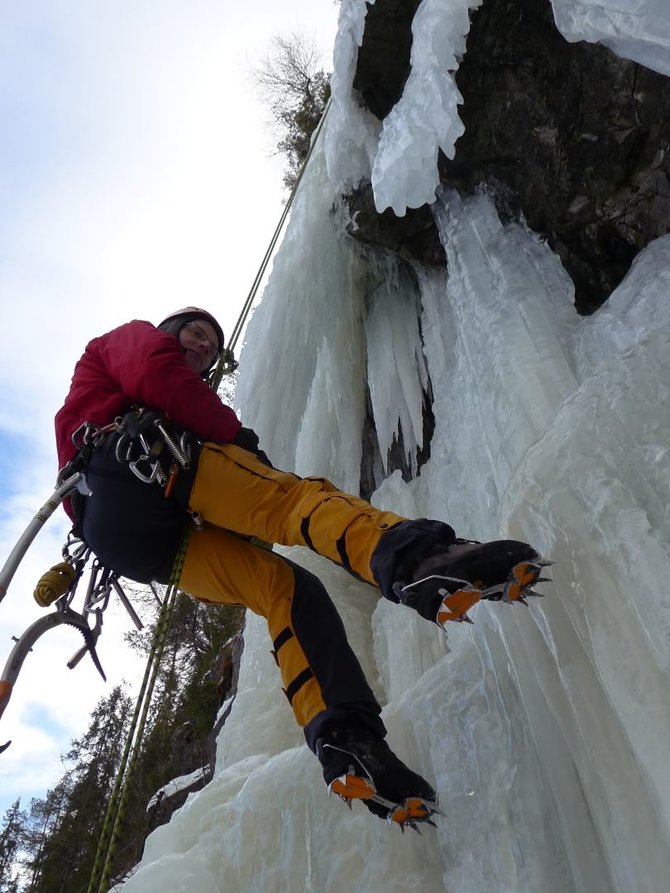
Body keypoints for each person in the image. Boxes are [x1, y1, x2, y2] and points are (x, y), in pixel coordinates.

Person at [55, 307, 543, 828]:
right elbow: (157, 372)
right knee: (293, 501)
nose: (201, 347)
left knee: (284, 589)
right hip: (148, 461)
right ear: (170, 327)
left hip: (138, 542)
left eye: (212, 349)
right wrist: (234, 439)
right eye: (196, 334)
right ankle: (422, 560)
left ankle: (345, 741)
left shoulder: (103, 400)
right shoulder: (132, 340)